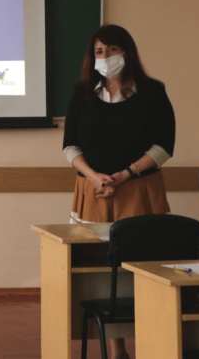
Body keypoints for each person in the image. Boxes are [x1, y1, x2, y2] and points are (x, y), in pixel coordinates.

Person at [63, 24, 175, 359]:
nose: (106, 57)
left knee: (145, 266)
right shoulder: (83, 93)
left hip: (139, 189)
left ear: (127, 52)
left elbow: (163, 147)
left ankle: (154, 343)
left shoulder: (152, 91)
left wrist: (126, 175)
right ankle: (117, 348)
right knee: (100, 269)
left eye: (112, 50)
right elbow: (70, 146)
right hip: (93, 190)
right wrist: (94, 176)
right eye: (99, 51)